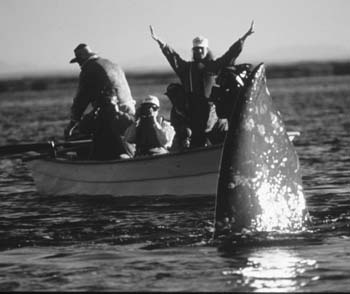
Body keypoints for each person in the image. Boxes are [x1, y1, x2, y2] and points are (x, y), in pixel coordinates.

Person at [150, 22, 254, 148]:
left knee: (219, 136)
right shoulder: (186, 68)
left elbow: (230, 55)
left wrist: (243, 38)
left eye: (201, 48)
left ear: (206, 50)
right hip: (194, 114)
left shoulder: (215, 66)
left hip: (213, 112)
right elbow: (173, 57)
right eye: (196, 49)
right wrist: (161, 42)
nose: (198, 51)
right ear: (193, 51)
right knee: (197, 141)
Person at [64, 43, 136, 160]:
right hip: (129, 109)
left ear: (82, 59)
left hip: (111, 113)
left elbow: (81, 100)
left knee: (89, 132)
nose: (79, 65)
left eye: (79, 62)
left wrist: (72, 123)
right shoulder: (113, 65)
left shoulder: (89, 69)